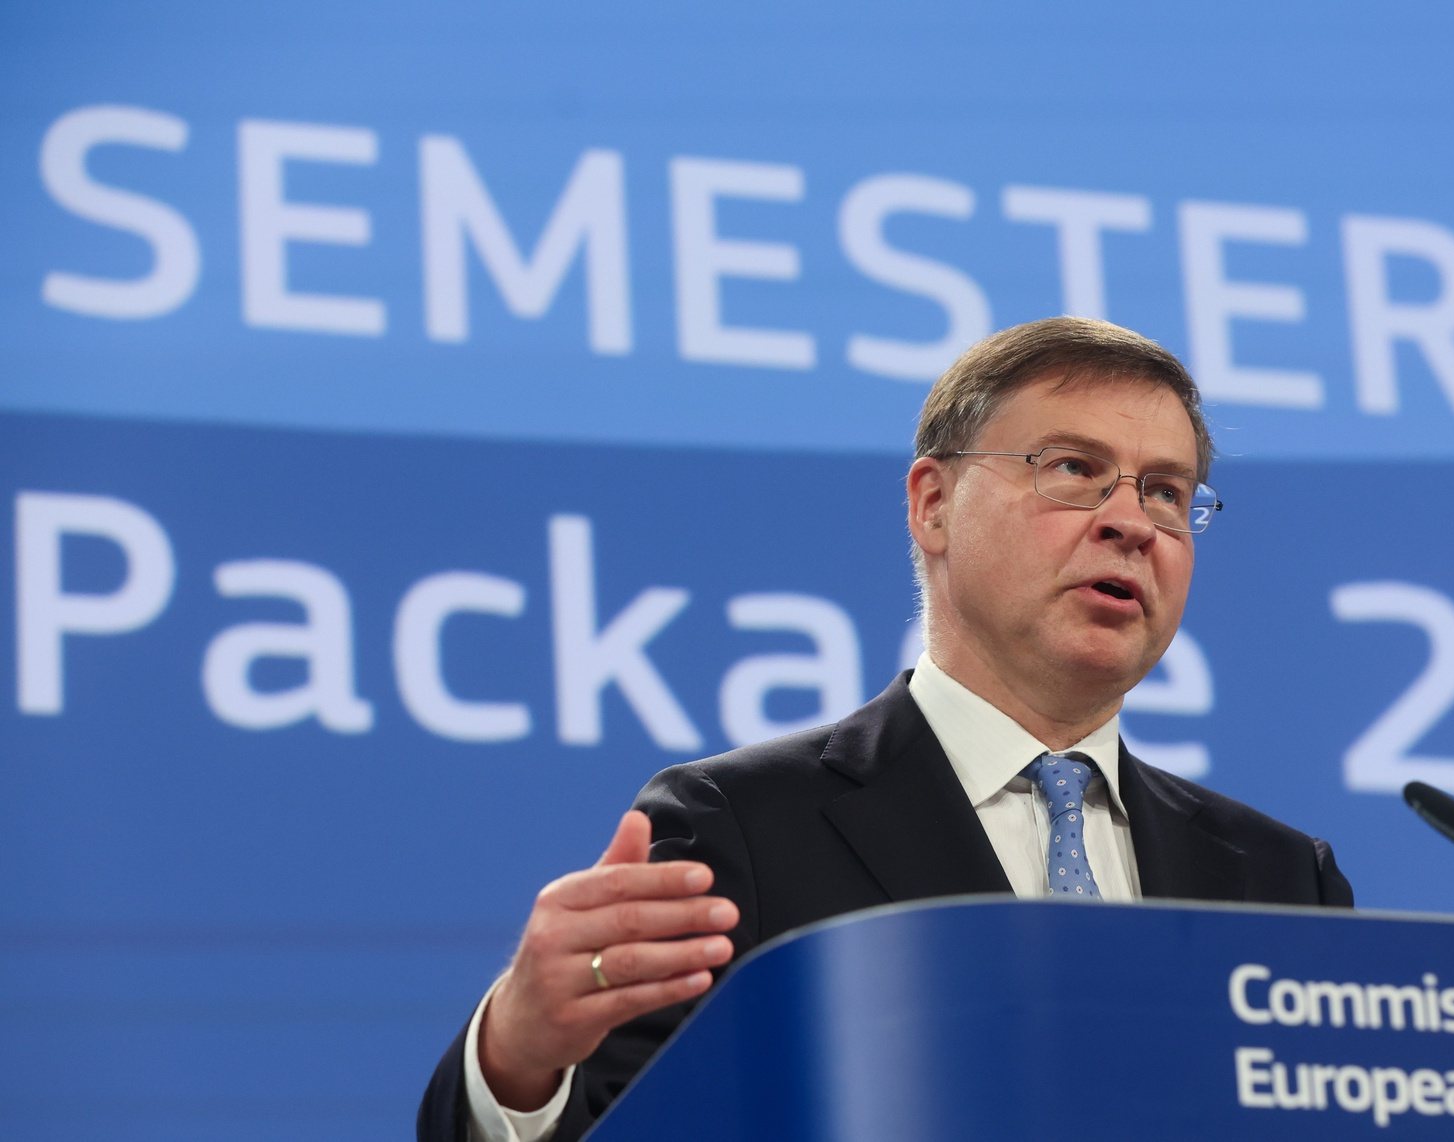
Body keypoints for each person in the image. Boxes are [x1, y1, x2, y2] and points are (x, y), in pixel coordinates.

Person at [417, 317, 1353, 1142]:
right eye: (1075, 470)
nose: (1132, 523)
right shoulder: (741, 827)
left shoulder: (1279, 883)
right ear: (933, 504)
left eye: (1165, 492)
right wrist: (519, 1058)